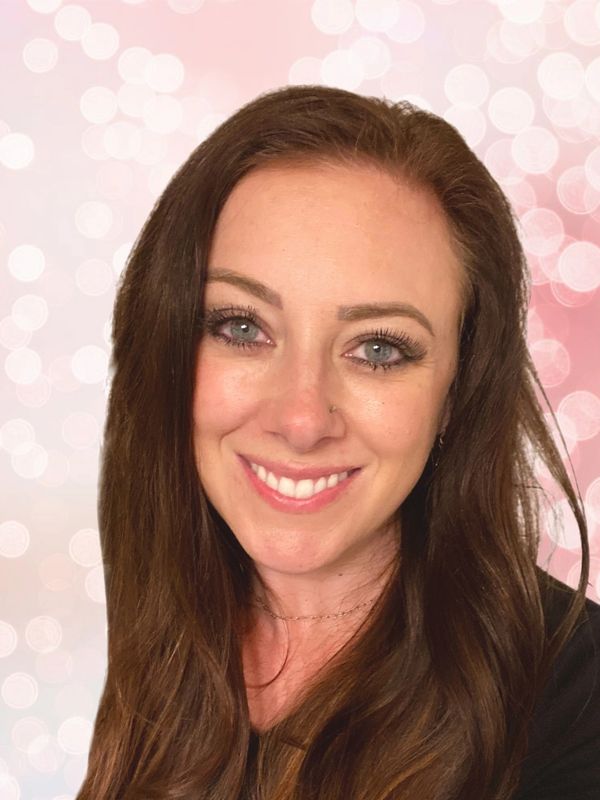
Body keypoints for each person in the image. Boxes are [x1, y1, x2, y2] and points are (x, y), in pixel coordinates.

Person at [76, 85, 600, 800]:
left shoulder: (579, 711)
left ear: (457, 389)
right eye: (242, 327)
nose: (301, 418)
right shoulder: (176, 643)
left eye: (379, 349)